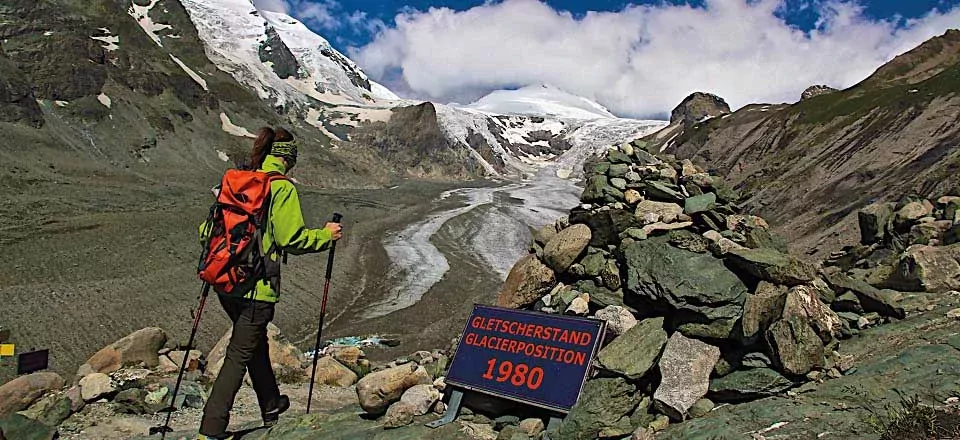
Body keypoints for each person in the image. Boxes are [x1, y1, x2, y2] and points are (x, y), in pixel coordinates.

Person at [198, 127, 343, 440]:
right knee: (239, 353)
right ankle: (210, 429)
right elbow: (291, 238)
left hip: (226, 283)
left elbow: (205, 231)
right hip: (257, 289)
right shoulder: (281, 188)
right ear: (288, 157)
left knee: (254, 343)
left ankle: (271, 405)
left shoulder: (237, 182)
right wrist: (326, 236)